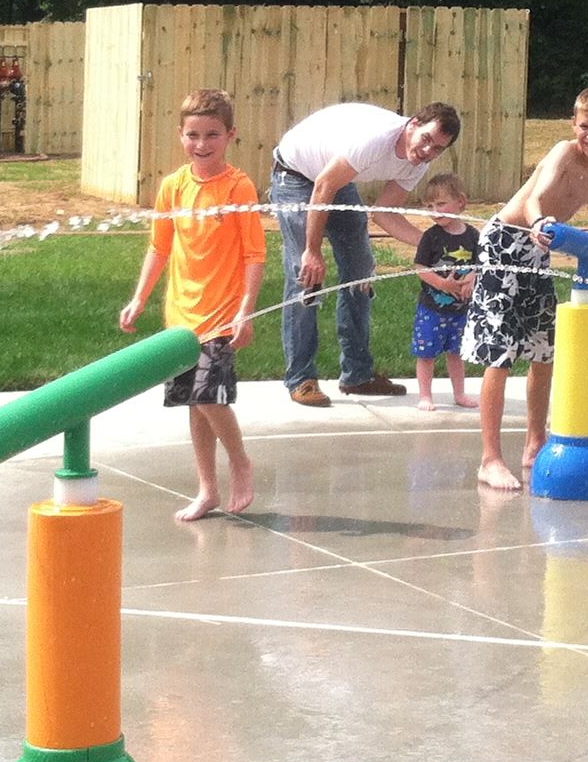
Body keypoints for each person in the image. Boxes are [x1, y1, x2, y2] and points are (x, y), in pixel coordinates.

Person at [465, 85, 588, 490]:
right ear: (573, 123)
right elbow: (537, 196)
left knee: (542, 349)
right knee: (500, 353)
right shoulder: (562, 152)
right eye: (584, 126)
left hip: (539, 250)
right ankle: (490, 459)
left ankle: (535, 444)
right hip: (507, 240)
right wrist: (538, 223)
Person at [121, 87, 266, 521]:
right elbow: (159, 249)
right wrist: (139, 298)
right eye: (193, 135)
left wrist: (246, 310)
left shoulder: (238, 186)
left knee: (208, 395)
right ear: (181, 135)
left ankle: (240, 461)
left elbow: (254, 255)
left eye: (212, 135)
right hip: (180, 317)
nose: (201, 145)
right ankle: (207, 489)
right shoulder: (173, 187)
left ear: (230, 135)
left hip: (221, 317)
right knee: (195, 403)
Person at [269, 99, 460, 407]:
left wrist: (436, 244)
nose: (428, 151)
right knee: (305, 275)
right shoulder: (375, 140)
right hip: (295, 174)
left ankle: (358, 375)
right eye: (426, 140)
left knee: (361, 271)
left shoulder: (418, 162)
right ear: (412, 125)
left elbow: (385, 215)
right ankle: (300, 378)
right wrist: (313, 251)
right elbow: (322, 187)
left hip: (336, 177)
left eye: (437, 148)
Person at [408, 172, 480, 412]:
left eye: (441, 204)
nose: (435, 211)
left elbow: (482, 264)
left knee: (456, 353)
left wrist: (473, 276)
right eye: (430, 206)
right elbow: (419, 268)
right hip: (432, 308)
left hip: (461, 310)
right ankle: (425, 396)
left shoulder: (473, 236)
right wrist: (442, 284)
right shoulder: (431, 237)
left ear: (460, 202)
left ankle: (459, 394)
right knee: (427, 353)